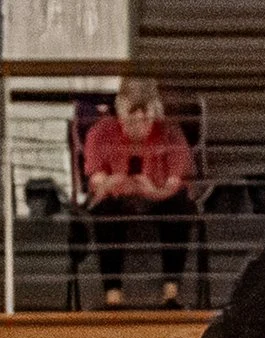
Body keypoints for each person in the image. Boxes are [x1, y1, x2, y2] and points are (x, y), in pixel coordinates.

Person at [80, 78, 197, 309]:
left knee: (179, 208)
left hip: (160, 196)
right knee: (104, 212)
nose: (137, 125)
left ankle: (170, 295)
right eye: (130, 118)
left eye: (144, 118)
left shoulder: (171, 134)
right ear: (120, 111)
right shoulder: (101, 132)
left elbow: (175, 183)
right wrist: (115, 182)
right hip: (116, 197)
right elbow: (96, 180)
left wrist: (154, 191)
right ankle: (113, 298)